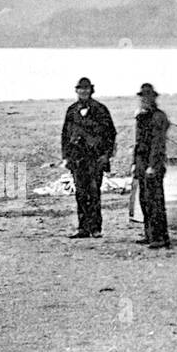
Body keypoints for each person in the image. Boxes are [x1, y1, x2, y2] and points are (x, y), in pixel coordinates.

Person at [60, 76, 117, 238]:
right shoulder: (71, 111)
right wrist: (66, 157)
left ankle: (96, 228)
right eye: (81, 89)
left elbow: (110, 134)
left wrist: (106, 155)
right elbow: (65, 135)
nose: (83, 91)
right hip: (77, 159)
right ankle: (82, 228)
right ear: (76, 91)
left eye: (86, 89)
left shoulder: (100, 109)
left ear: (91, 90)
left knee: (94, 193)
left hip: (95, 159)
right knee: (80, 193)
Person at [132, 83, 171, 250]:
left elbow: (158, 144)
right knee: (144, 201)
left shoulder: (158, 117)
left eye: (147, 97)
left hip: (152, 165)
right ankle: (149, 234)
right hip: (142, 163)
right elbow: (138, 142)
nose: (144, 100)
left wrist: (153, 165)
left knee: (155, 202)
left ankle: (160, 237)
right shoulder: (142, 117)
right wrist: (135, 163)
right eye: (142, 97)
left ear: (153, 99)